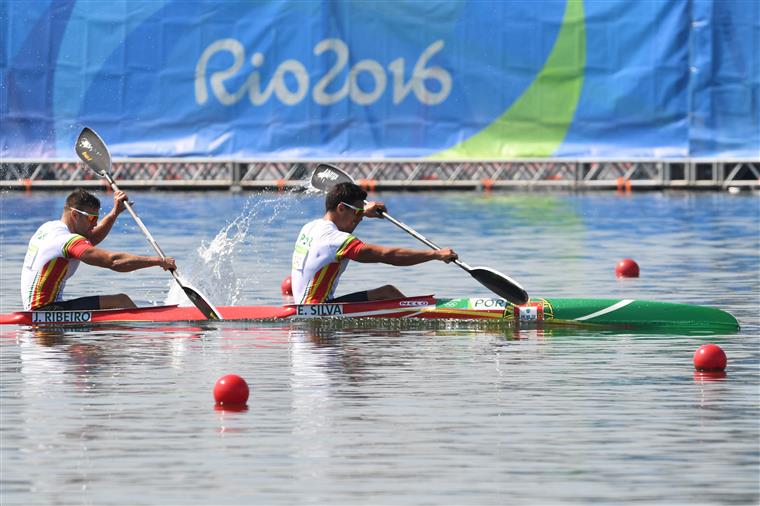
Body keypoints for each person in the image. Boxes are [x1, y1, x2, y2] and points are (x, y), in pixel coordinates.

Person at [291, 182, 458, 304]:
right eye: (357, 213)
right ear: (341, 208)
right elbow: (388, 256)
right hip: (317, 310)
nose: (360, 219)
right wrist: (435, 254)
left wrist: (361, 211)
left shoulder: (310, 227)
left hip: (308, 306)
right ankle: (425, 323)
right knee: (388, 294)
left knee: (386, 293)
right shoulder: (335, 240)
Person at [21, 189, 176, 311]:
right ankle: (148, 335)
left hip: (41, 309)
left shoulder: (49, 228)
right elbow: (113, 261)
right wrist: (158, 261)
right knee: (121, 301)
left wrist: (115, 212)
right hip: (43, 312)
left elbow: (90, 239)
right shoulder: (67, 241)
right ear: (75, 215)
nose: (95, 224)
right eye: (91, 218)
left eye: (96, 218)